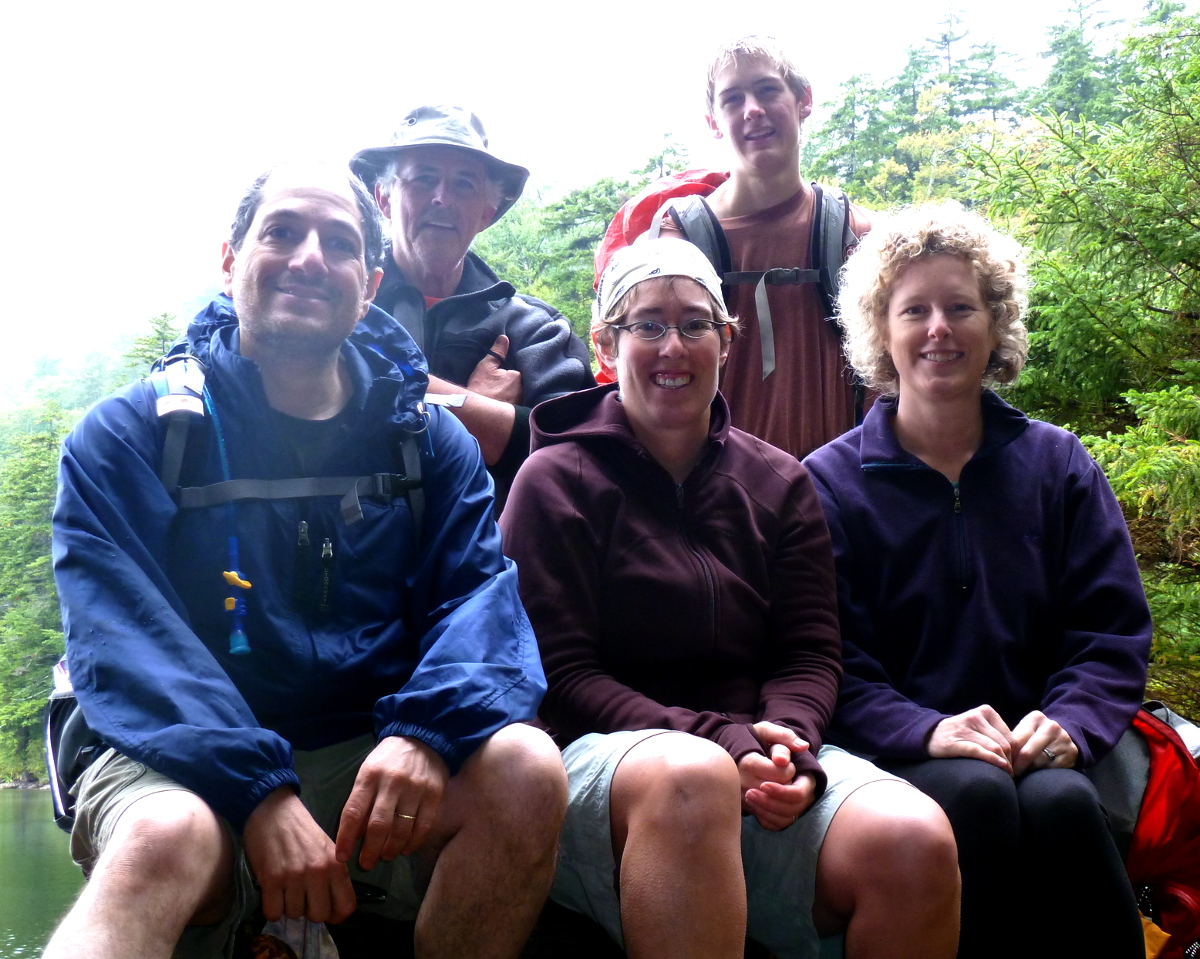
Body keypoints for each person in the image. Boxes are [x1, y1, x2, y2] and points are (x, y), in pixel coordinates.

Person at [46, 164, 566, 959]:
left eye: (339, 243)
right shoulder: (134, 434)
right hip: (176, 755)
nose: (310, 258)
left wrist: (424, 732)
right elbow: (126, 642)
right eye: (281, 232)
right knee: (164, 833)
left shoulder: (427, 441)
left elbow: (479, 603)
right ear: (230, 260)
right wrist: (257, 790)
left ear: (370, 284)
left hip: (366, 746)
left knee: (526, 766)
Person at [501, 236, 960, 959]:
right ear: (605, 344)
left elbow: (809, 648)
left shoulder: (778, 482)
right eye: (646, 324)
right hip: (610, 759)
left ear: (727, 341)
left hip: (753, 747)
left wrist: (791, 741)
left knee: (913, 837)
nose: (672, 346)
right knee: (691, 777)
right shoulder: (556, 481)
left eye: (694, 323)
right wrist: (722, 740)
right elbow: (563, 672)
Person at [802, 204, 1151, 959]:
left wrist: (1073, 722)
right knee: (976, 796)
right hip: (895, 750)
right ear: (881, 333)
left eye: (962, 307)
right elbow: (829, 657)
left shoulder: (1057, 466)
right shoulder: (827, 485)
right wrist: (925, 728)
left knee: (1061, 802)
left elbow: (1111, 629)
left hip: (1038, 744)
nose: (939, 329)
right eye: (914, 309)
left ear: (995, 326)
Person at [595, 36, 871, 460]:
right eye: (733, 98)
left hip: (836, 501)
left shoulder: (856, 235)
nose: (752, 110)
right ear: (714, 122)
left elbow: (889, 382)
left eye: (767, 90)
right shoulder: (677, 242)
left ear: (804, 100)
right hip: (718, 502)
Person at [351, 104, 594, 493]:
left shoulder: (535, 330)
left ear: (486, 212)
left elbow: (578, 456)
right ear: (384, 199)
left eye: (464, 184)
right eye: (423, 179)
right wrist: (479, 413)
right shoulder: (342, 307)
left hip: (493, 552)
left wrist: (401, 392)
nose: (442, 198)